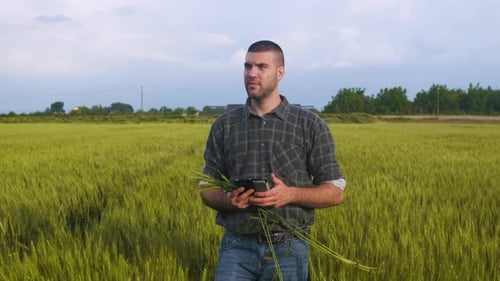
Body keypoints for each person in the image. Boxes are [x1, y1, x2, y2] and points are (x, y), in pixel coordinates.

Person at [200, 40, 346, 281]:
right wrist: (228, 200)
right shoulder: (225, 125)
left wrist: (291, 195)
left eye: (261, 66)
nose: (252, 74)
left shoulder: (309, 125)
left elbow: (335, 191)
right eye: (247, 66)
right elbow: (206, 186)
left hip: (289, 247)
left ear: (280, 73)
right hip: (236, 246)